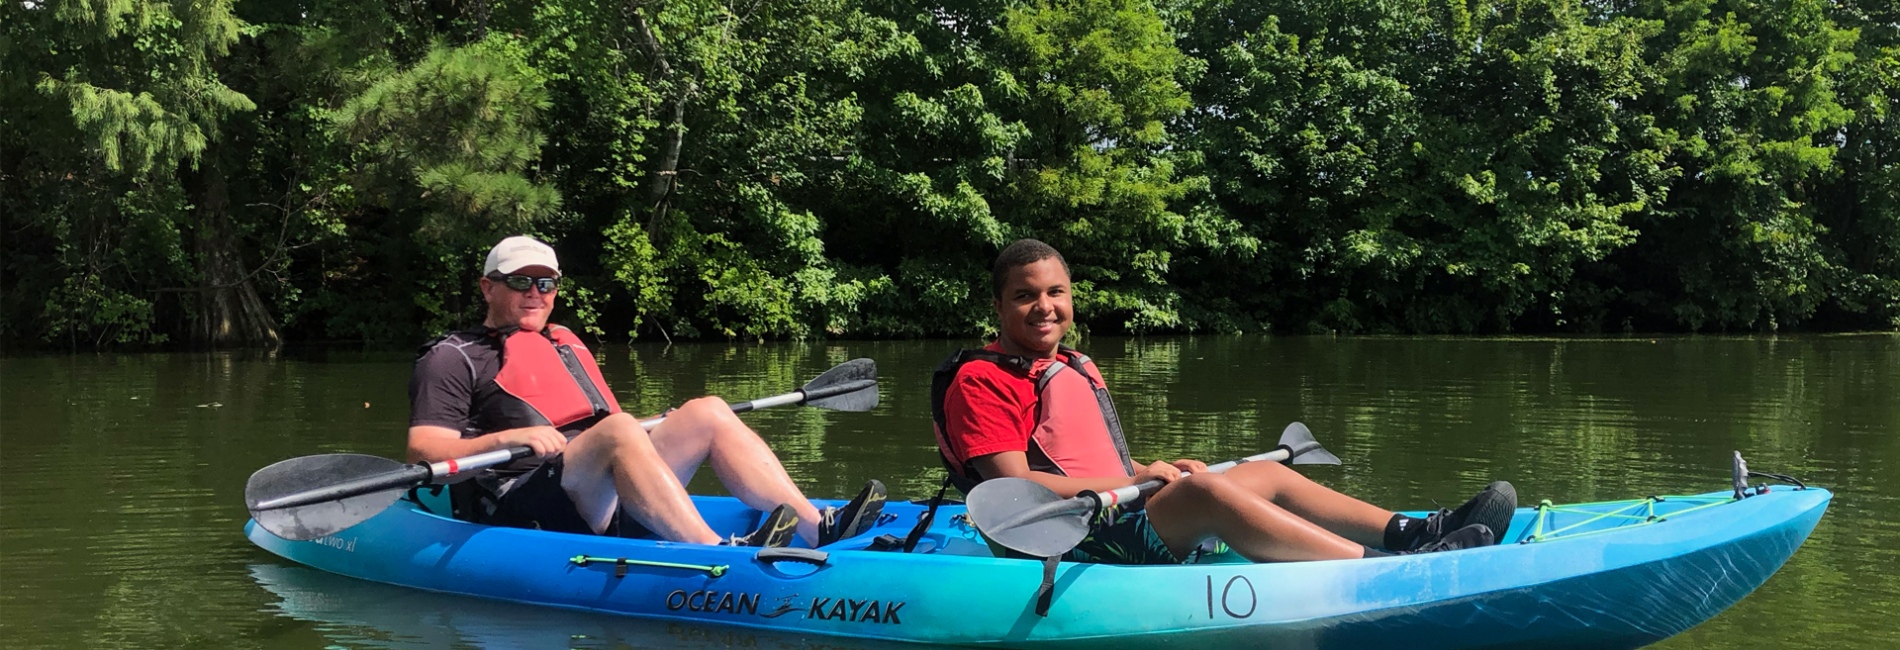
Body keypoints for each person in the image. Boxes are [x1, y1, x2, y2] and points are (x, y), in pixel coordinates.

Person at [931, 239, 1515, 564]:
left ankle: (1415, 531)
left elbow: (1088, 467)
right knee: (1210, 491)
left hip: (1108, 509)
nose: (1045, 307)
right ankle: (1382, 571)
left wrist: (1150, 473)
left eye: (1056, 292)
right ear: (998, 307)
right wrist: (1163, 483)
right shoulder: (982, 382)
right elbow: (1008, 489)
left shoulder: (1071, 365)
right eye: (1024, 296)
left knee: (1259, 472)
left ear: (1071, 297)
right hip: (1057, 537)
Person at [409, 235, 884, 547]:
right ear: (488, 288)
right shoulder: (453, 356)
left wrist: (656, 423)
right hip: (522, 506)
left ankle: (815, 526)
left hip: (592, 488)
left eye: (546, 283)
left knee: (707, 411)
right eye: (520, 282)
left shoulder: (564, 343)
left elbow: (609, 428)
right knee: (618, 430)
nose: (536, 292)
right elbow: (423, 451)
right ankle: (714, 553)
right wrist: (506, 440)